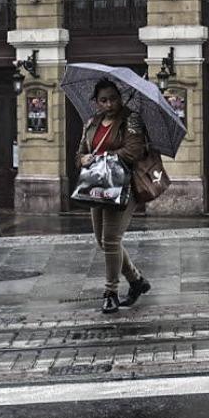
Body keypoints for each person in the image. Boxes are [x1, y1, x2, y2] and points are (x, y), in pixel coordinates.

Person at [75, 78, 151, 314]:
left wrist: (101, 157)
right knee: (103, 241)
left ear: (120, 98)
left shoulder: (131, 120)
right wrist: (83, 159)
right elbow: (80, 154)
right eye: (103, 100)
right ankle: (137, 281)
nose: (109, 104)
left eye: (113, 99)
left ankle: (111, 292)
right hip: (96, 186)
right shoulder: (91, 123)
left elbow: (133, 151)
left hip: (122, 186)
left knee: (110, 239)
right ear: (96, 102)